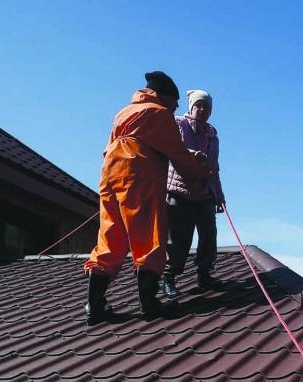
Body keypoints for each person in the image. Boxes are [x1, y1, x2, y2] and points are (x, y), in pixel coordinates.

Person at [83, 70, 209, 324]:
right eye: (174, 102)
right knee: (149, 236)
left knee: (111, 236)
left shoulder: (124, 112)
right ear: (164, 97)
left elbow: (108, 147)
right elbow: (178, 155)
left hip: (110, 174)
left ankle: (94, 306)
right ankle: (149, 304)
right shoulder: (159, 113)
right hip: (138, 173)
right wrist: (200, 174)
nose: (175, 108)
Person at [161, 89, 226, 298]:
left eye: (207, 106)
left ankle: (204, 274)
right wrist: (191, 155)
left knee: (208, 235)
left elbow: (214, 169)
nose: (203, 109)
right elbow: (170, 149)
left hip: (204, 193)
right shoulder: (178, 123)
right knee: (180, 239)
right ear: (191, 107)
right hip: (180, 192)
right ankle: (169, 277)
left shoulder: (212, 135)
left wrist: (220, 195)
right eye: (199, 105)